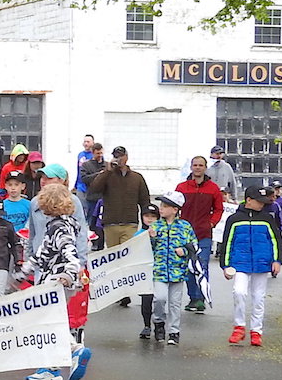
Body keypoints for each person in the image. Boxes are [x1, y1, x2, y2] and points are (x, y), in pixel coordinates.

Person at [23, 184, 92, 380]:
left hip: (55, 281)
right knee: (52, 319)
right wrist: (25, 271)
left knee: (48, 320)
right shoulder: (66, 223)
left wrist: (69, 273)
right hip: (59, 280)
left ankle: (74, 350)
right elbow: (44, 251)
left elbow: (68, 251)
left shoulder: (57, 227)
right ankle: (51, 366)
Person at [220, 186, 282, 347]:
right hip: (240, 262)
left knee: (258, 297)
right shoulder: (234, 219)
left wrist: (277, 260)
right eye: (259, 201)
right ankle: (239, 327)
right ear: (249, 200)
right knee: (239, 292)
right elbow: (227, 242)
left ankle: (256, 331)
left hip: (262, 263)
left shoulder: (267, 218)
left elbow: (276, 240)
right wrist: (225, 265)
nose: (262, 204)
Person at [175, 156, 223, 313]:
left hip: (204, 234)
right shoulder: (182, 187)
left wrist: (212, 223)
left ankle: (201, 298)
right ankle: (193, 298)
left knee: (202, 266)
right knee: (188, 267)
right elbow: (174, 206)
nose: (197, 168)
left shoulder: (213, 188)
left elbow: (218, 209)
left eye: (200, 165)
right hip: (185, 235)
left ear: (205, 167)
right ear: (191, 167)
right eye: (195, 165)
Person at [147, 193, 196, 345]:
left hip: (178, 270)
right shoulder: (155, 226)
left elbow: (194, 245)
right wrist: (152, 238)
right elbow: (147, 250)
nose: (161, 209)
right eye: (161, 206)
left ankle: (174, 331)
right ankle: (159, 323)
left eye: (165, 206)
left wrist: (185, 251)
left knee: (175, 303)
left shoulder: (185, 226)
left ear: (175, 209)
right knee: (160, 298)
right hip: (160, 270)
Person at [88, 146, 150, 248]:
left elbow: (144, 201)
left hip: (130, 223)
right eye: (116, 156)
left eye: (121, 156)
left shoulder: (137, 177)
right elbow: (94, 189)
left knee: (127, 254)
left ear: (126, 157)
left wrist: (145, 223)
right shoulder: (107, 175)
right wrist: (107, 171)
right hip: (110, 224)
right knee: (113, 256)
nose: (119, 159)